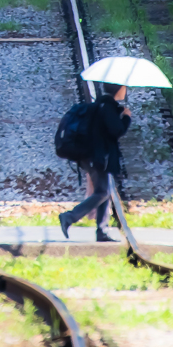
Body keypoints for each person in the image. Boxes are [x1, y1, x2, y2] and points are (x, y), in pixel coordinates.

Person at [59, 82, 131, 242]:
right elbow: (117, 130)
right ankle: (69, 217)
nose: (125, 91)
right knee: (103, 192)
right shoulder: (107, 107)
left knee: (104, 190)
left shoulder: (102, 105)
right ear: (119, 89)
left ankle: (102, 230)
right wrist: (126, 118)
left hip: (92, 156)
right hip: (97, 157)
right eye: (124, 87)